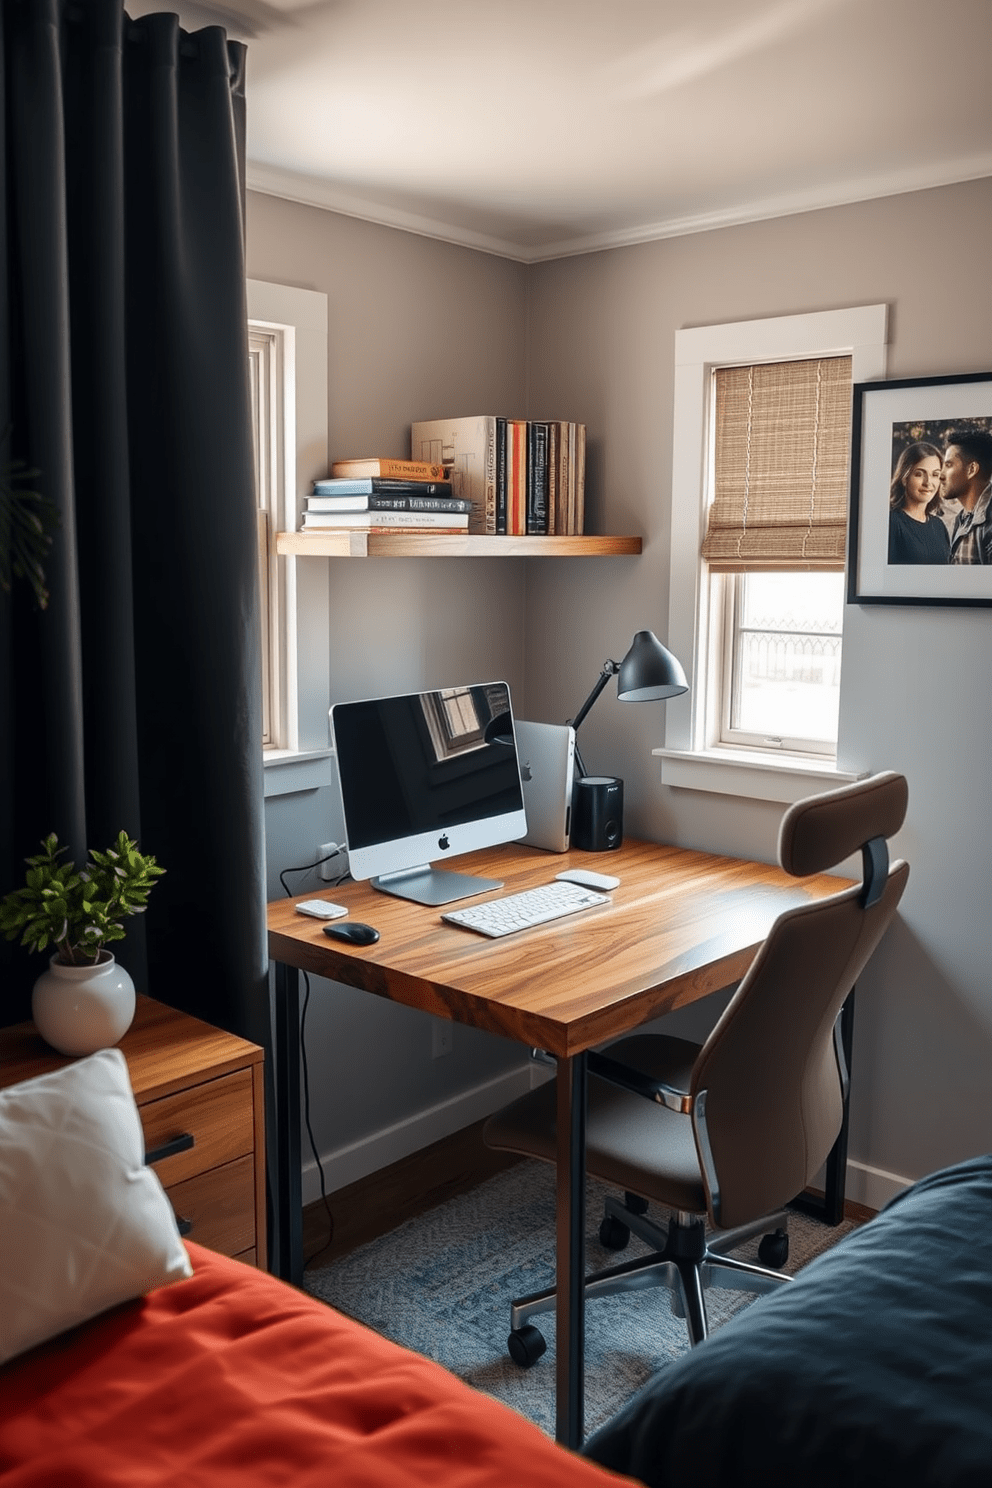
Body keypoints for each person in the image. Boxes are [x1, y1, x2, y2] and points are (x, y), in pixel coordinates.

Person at [887, 441, 950, 564]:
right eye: (919, 474)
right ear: (905, 478)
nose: (928, 482)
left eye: (935, 475)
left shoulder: (939, 526)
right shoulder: (892, 522)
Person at [942, 428, 992, 565]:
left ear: (971, 470)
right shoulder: (962, 519)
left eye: (949, 465)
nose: (940, 475)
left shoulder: (988, 524)